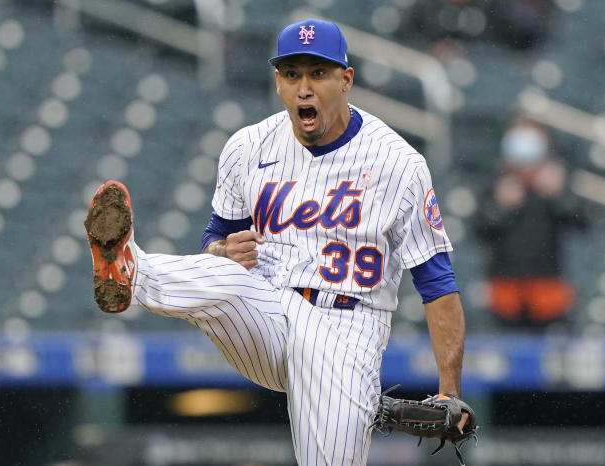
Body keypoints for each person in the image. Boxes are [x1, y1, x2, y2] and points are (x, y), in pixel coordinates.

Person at [84, 19, 469, 466]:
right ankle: (131, 270)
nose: (304, 88)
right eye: (292, 75)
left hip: (345, 330)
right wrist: (221, 251)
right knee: (226, 275)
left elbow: (437, 282)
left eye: (318, 74)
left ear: (346, 80)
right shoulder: (247, 147)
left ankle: (136, 270)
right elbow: (215, 239)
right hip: (267, 305)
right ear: (278, 83)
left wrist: (450, 389)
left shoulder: (399, 164)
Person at [474, 116, 587, 328]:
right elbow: (480, 229)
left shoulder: (557, 177)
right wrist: (500, 207)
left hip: (548, 293)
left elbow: (582, 223)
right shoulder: (494, 179)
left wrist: (559, 195)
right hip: (504, 293)